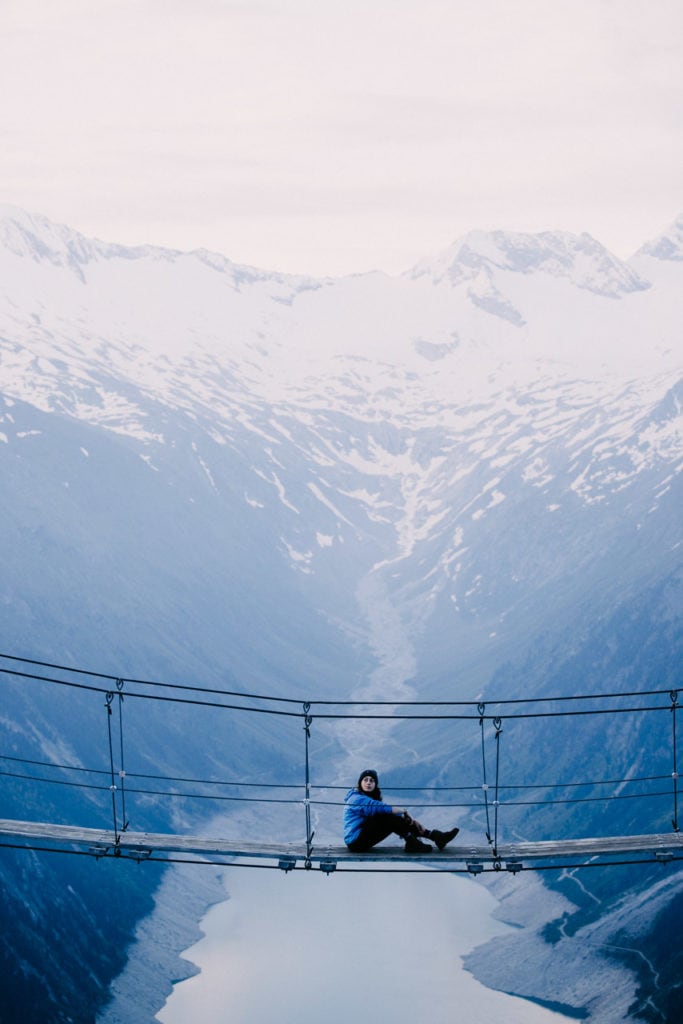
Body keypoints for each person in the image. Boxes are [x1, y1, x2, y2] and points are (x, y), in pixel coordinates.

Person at [343, 768, 459, 853]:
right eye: (365, 779)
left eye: (372, 780)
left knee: (389, 816)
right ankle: (413, 842)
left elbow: (382, 810)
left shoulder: (365, 797)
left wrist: (408, 820)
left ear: (375, 784)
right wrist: (403, 812)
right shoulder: (356, 798)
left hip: (362, 837)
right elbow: (380, 808)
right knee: (387, 816)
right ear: (360, 782)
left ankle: (435, 837)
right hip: (356, 842)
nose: (368, 782)